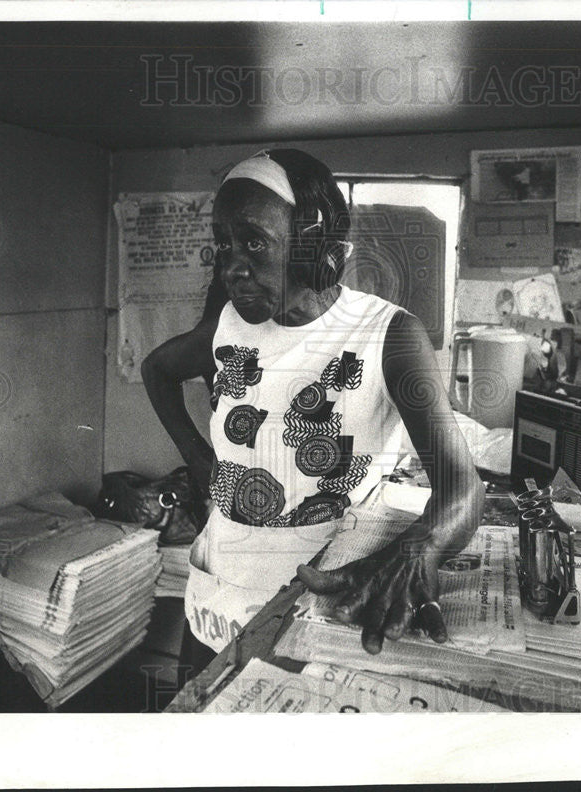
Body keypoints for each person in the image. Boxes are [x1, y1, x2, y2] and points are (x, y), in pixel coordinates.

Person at [142, 149, 483, 666]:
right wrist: (195, 454)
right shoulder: (228, 325)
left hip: (323, 593)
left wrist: (420, 549)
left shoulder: (389, 337)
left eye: (254, 242)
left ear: (314, 246)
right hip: (219, 586)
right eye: (224, 244)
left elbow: (463, 488)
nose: (233, 267)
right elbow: (157, 370)